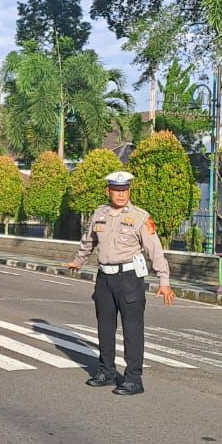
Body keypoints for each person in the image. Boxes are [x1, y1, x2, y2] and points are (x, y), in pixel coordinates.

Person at [67, 170, 176, 397]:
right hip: (104, 278)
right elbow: (88, 241)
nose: (120, 195)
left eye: (124, 190)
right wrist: (78, 261)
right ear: (109, 191)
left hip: (129, 279)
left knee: (132, 329)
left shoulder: (140, 218)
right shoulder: (99, 214)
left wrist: (163, 281)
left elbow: (155, 251)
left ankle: (133, 378)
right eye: (116, 191)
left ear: (129, 191)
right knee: (105, 327)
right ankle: (106, 372)